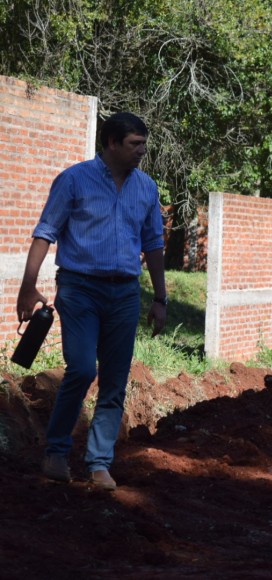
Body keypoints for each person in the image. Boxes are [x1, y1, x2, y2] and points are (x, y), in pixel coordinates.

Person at [16, 112, 167, 491]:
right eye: (135, 144)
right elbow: (45, 232)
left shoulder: (146, 188)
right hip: (80, 288)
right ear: (112, 143)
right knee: (82, 369)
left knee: (115, 379)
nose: (142, 152)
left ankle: (99, 463)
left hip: (125, 293)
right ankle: (56, 450)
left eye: (144, 144)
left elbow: (154, 245)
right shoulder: (74, 180)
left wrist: (161, 297)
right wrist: (27, 286)